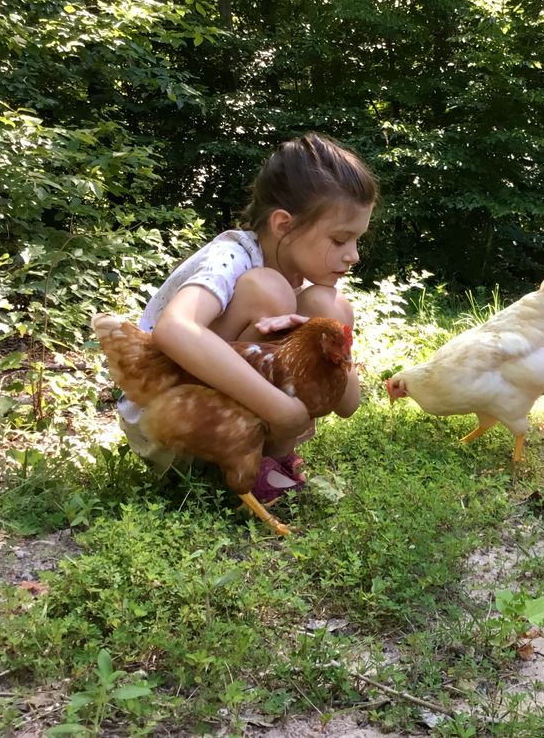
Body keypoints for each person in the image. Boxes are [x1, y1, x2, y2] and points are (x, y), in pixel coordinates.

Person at [118, 132, 378, 503]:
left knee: (329, 305)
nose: (353, 255)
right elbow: (174, 330)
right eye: (339, 240)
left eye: (357, 241)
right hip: (164, 418)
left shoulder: (306, 283)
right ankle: (255, 461)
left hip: (223, 423)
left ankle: (267, 460)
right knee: (267, 290)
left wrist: (322, 333)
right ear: (283, 225)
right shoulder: (232, 257)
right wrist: (279, 408)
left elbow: (348, 405)